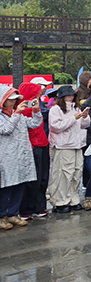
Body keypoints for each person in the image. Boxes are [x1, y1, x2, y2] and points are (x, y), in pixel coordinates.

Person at [0, 86, 41, 229]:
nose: (13, 102)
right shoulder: (3, 116)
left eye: (15, 100)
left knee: (20, 184)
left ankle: (13, 214)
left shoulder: (20, 115)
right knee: (6, 186)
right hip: (7, 157)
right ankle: (1, 216)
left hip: (22, 155)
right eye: (10, 100)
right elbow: (6, 129)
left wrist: (36, 111)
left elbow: (35, 124)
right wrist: (17, 114)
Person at [48, 86, 91, 214]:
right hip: (64, 145)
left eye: (72, 95)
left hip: (77, 144)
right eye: (68, 95)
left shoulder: (76, 108)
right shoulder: (55, 109)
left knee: (76, 173)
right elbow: (56, 127)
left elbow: (85, 125)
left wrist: (84, 117)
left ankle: (73, 199)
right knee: (63, 174)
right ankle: (60, 201)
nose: (71, 97)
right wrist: (74, 118)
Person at [18, 82, 50, 220]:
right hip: (32, 146)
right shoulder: (21, 111)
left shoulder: (37, 107)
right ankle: (26, 208)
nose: (40, 95)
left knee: (43, 178)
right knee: (32, 179)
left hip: (42, 143)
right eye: (37, 93)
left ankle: (39, 206)